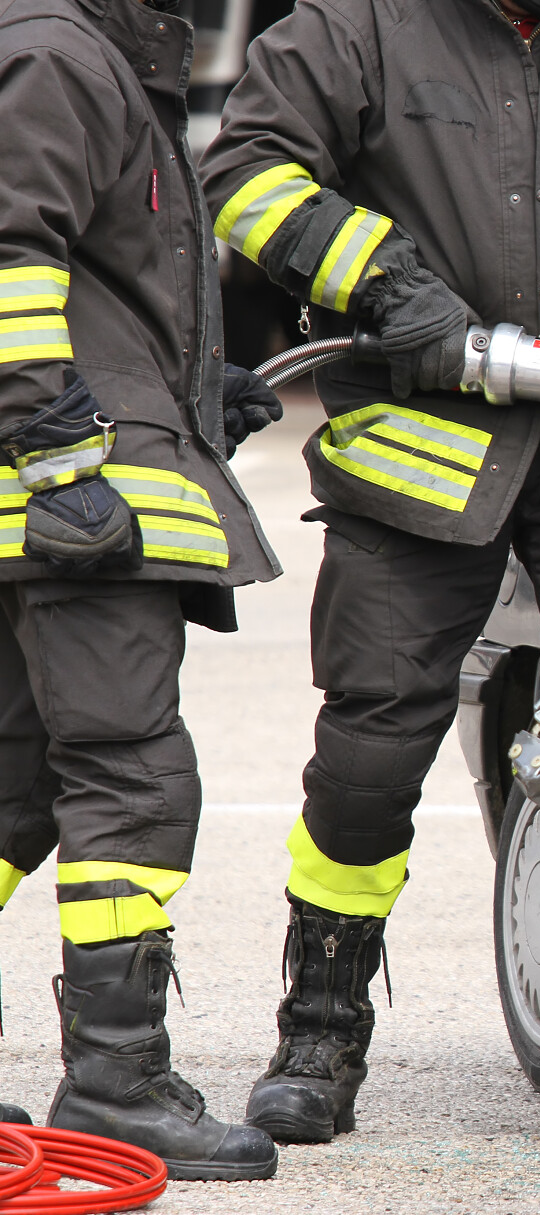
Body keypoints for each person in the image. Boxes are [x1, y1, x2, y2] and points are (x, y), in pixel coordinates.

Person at [201, 0, 540, 1158]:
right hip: (423, 455)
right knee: (368, 748)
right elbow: (248, 178)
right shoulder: (354, 27)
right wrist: (390, 285)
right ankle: (319, 1034)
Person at [0, 0, 283, 1181]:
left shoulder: (91, 55)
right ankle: (115, 1077)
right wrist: (60, 450)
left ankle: (115, 1070)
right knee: (130, 770)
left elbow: (97, 278)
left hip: (73, 479)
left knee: (13, 780)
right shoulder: (59, 52)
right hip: (72, 500)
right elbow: (11, 254)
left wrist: (190, 387)